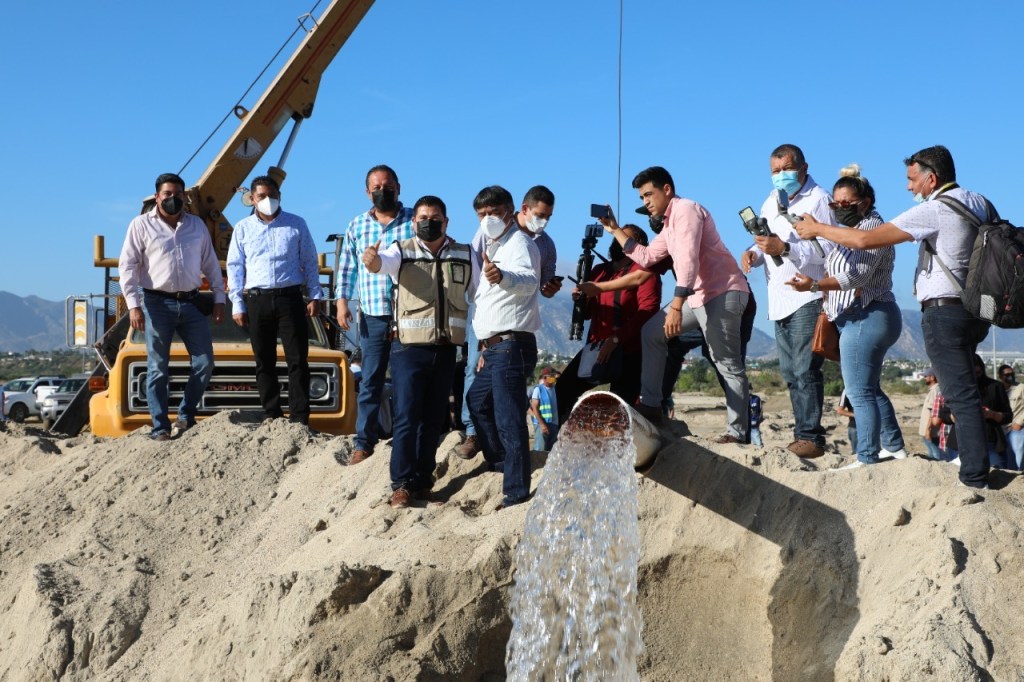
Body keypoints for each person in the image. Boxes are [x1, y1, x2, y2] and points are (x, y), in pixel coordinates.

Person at [794, 145, 994, 489]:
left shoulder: (936, 209)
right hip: (978, 308)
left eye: (912, 179)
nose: (908, 187)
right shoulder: (979, 201)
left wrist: (819, 230)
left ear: (931, 178)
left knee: (957, 392)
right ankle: (965, 459)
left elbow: (865, 239)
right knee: (963, 388)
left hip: (945, 309)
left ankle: (973, 474)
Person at [599, 166, 751, 444]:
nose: (645, 202)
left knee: (726, 362)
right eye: (642, 197)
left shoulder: (686, 210)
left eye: (648, 194)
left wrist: (677, 306)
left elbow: (688, 260)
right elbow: (645, 257)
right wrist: (614, 229)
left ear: (666, 189)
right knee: (652, 332)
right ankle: (652, 405)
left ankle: (737, 433)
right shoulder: (668, 224)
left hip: (723, 292)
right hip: (698, 296)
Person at [786, 165, 906, 467]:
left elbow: (855, 277)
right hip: (860, 317)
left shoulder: (873, 230)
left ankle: (866, 456)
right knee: (871, 388)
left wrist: (813, 285)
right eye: (834, 204)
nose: (838, 209)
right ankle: (894, 446)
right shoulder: (850, 232)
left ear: (864, 202)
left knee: (858, 392)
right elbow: (834, 260)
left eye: (845, 204)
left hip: (867, 315)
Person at [360, 195, 472, 508]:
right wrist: (372, 261)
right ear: (413, 222)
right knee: (407, 418)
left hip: (446, 349)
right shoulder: (401, 250)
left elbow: (478, 290)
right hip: (408, 349)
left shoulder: (464, 254)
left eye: (435, 217)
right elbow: (381, 264)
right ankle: (401, 485)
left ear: (446, 222)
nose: (428, 222)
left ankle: (423, 482)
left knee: (434, 420)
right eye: (422, 217)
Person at [741, 144, 836, 458]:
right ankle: (801, 434)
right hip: (779, 297)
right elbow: (766, 237)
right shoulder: (771, 199)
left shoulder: (819, 199)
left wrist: (784, 249)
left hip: (808, 294)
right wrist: (754, 254)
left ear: (804, 168)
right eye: (775, 171)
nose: (781, 176)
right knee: (790, 372)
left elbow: (826, 247)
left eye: (787, 169)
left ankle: (811, 436)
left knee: (806, 368)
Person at [118, 172, 226, 441]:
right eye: (167, 194)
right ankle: (160, 427)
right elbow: (127, 267)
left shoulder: (197, 226)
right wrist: (133, 305)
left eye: (178, 195)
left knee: (205, 362)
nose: (173, 199)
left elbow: (211, 263)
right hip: (156, 303)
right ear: (157, 197)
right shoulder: (140, 225)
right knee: (158, 367)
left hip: (191, 302)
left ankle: (186, 415)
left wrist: (219, 298)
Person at [453, 185, 558, 460]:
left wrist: (548, 288)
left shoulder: (543, 244)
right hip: (487, 314)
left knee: (508, 397)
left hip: (515, 326)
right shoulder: (489, 233)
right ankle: (475, 434)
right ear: (523, 209)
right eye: (539, 214)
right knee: (474, 378)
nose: (543, 221)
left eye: (548, 216)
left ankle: (509, 462)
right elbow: (474, 264)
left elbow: (537, 283)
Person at [463, 186, 541, 509]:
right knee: (476, 401)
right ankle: (500, 463)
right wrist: (483, 346)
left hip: (513, 344)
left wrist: (502, 276)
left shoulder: (520, 244)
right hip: (493, 348)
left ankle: (516, 491)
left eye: (492, 213)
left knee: (509, 419)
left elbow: (528, 281)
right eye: (481, 215)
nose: (487, 219)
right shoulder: (494, 245)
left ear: (510, 211)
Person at [335, 165, 415, 465]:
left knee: (407, 381)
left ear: (398, 187)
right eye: (376, 187)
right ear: (367, 192)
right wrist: (342, 303)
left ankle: (405, 439)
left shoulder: (413, 220)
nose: (383, 191)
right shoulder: (357, 226)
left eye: (388, 185)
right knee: (370, 381)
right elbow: (346, 269)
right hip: (373, 314)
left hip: (408, 315)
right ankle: (363, 442)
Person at [227, 175, 321, 424]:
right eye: (261, 196)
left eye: (272, 195)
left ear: (279, 196)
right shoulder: (243, 228)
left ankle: (300, 416)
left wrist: (314, 294)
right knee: (263, 360)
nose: (267, 200)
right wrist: (237, 303)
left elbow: (309, 260)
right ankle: (272, 412)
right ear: (252, 199)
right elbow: (235, 267)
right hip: (257, 299)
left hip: (290, 297)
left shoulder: (296, 224)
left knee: (298, 359)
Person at [554, 224, 661, 421]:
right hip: (596, 347)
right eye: (616, 239)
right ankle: (565, 438)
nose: (618, 243)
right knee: (562, 390)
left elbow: (648, 311)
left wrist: (617, 339)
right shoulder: (600, 271)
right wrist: (581, 299)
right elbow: (588, 314)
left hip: (631, 351)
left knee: (620, 410)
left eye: (624, 239)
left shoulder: (645, 272)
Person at [529, 367, 560, 451]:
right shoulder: (538, 389)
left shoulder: (555, 389)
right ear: (545, 377)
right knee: (540, 449)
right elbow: (534, 407)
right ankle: (538, 464)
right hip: (542, 425)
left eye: (554, 376)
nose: (554, 378)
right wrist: (542, 424)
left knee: (551, 451)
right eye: (552, 376)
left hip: (554, 424)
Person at [1000, 364, 1024, 470]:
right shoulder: (998, 389)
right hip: (1002, 430)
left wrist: (1020, 422)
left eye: (1012, 374)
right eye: (1007, 374)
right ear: (1001, 376)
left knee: (1018, 460)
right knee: (1006, 460)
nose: (1010, 376)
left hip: (1016, 430)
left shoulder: (1021, 388)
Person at [919, 368, 943, 460]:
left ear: (932, 377)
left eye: (925, 376)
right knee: (931, 451)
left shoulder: (934, 391)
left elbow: (933, 411)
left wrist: (928, 429)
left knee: (935, 453)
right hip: (930, 429)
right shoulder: (935, 389)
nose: (924, 378)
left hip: (931, 429)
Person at [836, 389, 857, 455]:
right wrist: (857, 415)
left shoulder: (870, 386)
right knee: (856, 452)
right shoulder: (847, 390)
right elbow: (840, 410)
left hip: (870, 424)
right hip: (854, 426)